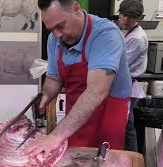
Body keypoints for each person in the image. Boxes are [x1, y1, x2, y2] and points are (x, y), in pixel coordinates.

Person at [23, 0, 132, 157]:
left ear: (76, 8)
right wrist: (45, 95)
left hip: (107, 115)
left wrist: (55, 135)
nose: (57, 35)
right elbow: (54, 78)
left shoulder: (106, 34)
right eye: (51, 29)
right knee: (74, 163)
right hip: (76, 116)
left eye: (60, 26)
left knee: (105, 165)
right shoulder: (55, 38)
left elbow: (96, 92)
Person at [118, 0, 148, 152]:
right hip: (123, 83)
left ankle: (132, 156)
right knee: (124, 122)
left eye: (130, 17)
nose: (125, 19)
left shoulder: (137, 37)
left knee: (127, 124)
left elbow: (120, 63)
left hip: (127, 85)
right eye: (123, 15)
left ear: (139, 18)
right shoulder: (125, 31)